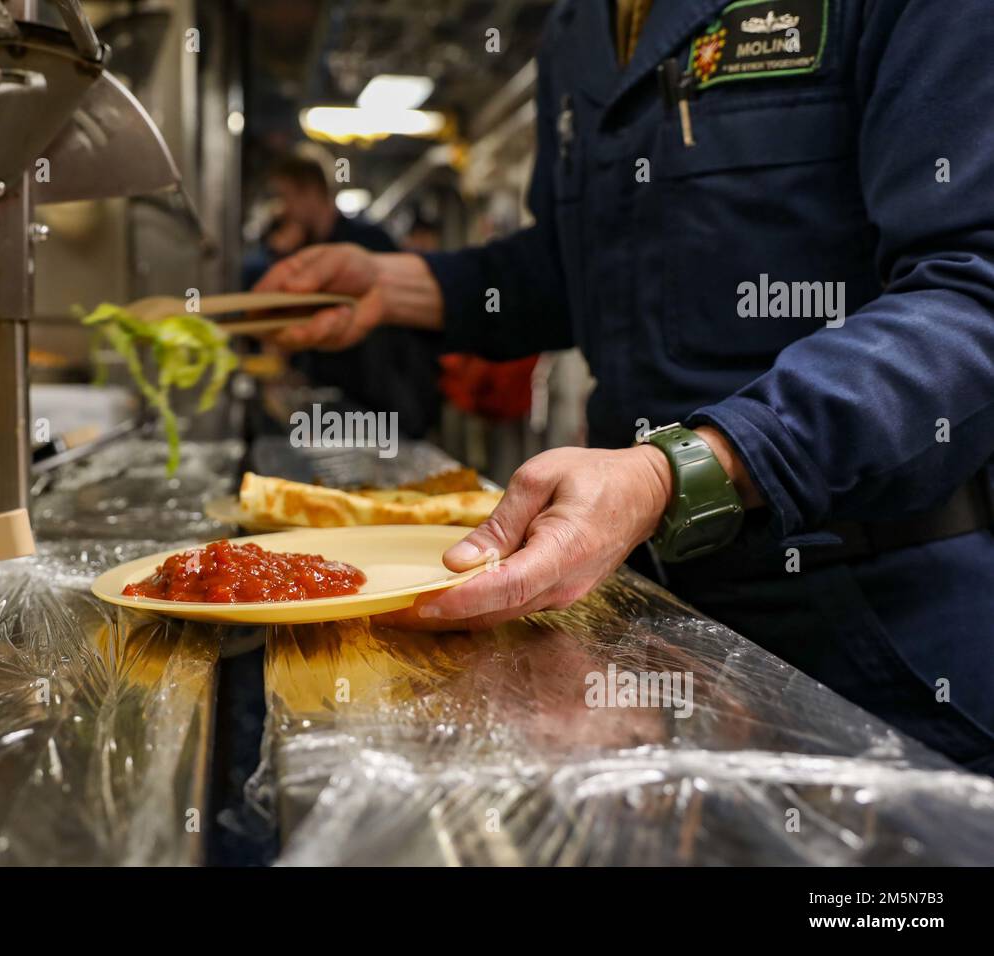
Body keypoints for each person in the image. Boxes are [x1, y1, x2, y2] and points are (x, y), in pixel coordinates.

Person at [254, 0, 994, 774]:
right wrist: (391, 285)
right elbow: (572, 268)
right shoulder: (581, 28)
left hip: (875, 621)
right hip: (648, 605)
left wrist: (675, 471)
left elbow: (971, 295)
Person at [263, 155, 442, 439]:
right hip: (336, 404)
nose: (285, 210)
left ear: (310, 191)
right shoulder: (307, 247)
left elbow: (402, 331)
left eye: (288, 197)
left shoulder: (368, 241)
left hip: (382, 401)